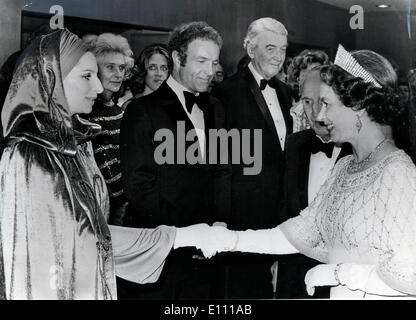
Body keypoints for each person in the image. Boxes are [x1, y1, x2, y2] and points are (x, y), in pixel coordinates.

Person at [0, 28, 216, 300]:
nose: (100, 86)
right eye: (86, 76)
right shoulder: (28, 155)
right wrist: (178, 237)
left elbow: (93, 235)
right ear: (50, 80)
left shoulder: (77, 143)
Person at [208, 45, 416, 299]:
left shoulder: (398, 173)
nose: (319, 115)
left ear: (358, 106)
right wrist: (224, 240)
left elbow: (410, 275)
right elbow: (295, 235)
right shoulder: (344, 168)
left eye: (327, 104)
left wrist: (337, 275)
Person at [119, 21, 231, 299]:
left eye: (214, 62)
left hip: (209, 254)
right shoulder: (142, 111)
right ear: (177, 59)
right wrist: (189, 235)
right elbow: (139, 188)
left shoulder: (216, 107)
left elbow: (222, 171)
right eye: (202, 61)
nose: (211, 71)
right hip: (163, 256)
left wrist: (219, 224)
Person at [212, 17, 293, 299]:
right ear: (250, 49)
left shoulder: (284, 92)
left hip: (279, 210)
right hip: (243, 212)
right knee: (242, 289)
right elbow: (219, 160)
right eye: (270, 48)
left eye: (283, 49)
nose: (278, 56)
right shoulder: (225, 93)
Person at [278, 67, 352, 298]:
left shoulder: (361, 150)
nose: (316, 112)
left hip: (343, 280)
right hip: (294, 279)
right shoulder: (293, 145)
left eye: (323, 101)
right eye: (307, 102)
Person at [81, 33, 134, 225]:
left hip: (124, 207)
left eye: (121, 68)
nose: (118, 74)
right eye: (110, 67)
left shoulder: (117, 109)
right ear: (94, 70)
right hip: (106, 212)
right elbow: (105, 171)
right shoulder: (88, 112)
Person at [287, 49, 330, 133]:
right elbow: (257, 134)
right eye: (304, 76)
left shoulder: (332, 108)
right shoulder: (291, 114)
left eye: (315, 75)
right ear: (298, 81)